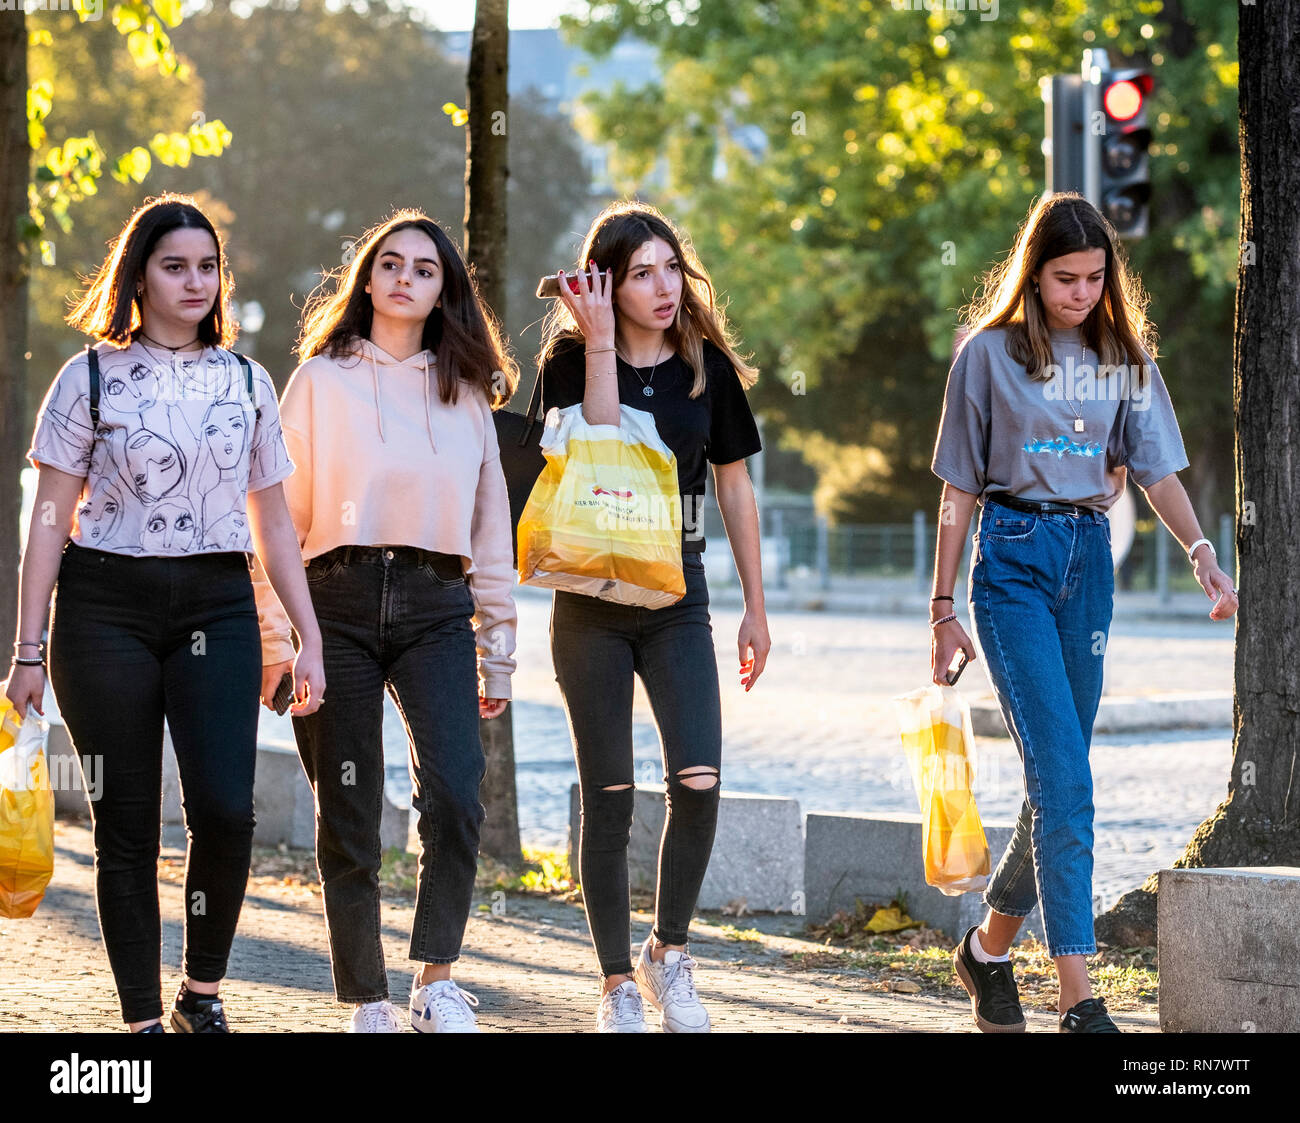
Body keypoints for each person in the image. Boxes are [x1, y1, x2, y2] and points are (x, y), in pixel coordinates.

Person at [5, 193, 324, 1033]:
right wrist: (26, 649)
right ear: (138, 276)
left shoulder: (250, 382)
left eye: (207, 267)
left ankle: (202, 990)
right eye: (174, 266)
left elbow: (275, 523)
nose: (195, 282)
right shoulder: (90, 376)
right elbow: (48, 520)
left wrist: (306, 633)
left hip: (216, 604)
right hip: (102, 607)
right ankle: (143, 1018)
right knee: (126, 822)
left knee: (225, 806)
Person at [928, 193, 1238, 1034]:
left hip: (1087, 569)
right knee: (1067, 780)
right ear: (1033, 274)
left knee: (1053, 782)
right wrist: (941, 606)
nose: (1082, 292)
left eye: (1097, 277)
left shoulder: (1122, 358)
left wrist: (1203, 556)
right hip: (1013, 567)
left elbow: (1159, 470)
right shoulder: (986, 357)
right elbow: (958, 488)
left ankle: (987, 951)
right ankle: (1079, 996)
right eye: (1065, 278)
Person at [253, 210, 518, 1033]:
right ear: (367, 279)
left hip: (437, 608)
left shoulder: (466, 391)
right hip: (332, 603)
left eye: (426, 269)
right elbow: (270, 524)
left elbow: (490, 527)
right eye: (391, 264)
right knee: (352, 806)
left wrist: (497, 652)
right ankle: (365, 997)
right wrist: (278, 639)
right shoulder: (317, 382)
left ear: (445, 291)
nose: (406, 277)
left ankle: (435, 979)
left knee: (454, 791)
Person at [536, 201, 770, 1032]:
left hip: (679, 595)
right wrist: (599, 341)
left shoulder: (706, 367)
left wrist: (755, 605)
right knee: (609, 793)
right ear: (606, 283)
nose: (664, 285)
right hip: (590, 599)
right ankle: (614, 984)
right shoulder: (569, 363)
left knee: (698, 780)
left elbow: (736, 487)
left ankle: (668, 952)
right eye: (642, 272)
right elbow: (593, 447)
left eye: (672, 267)